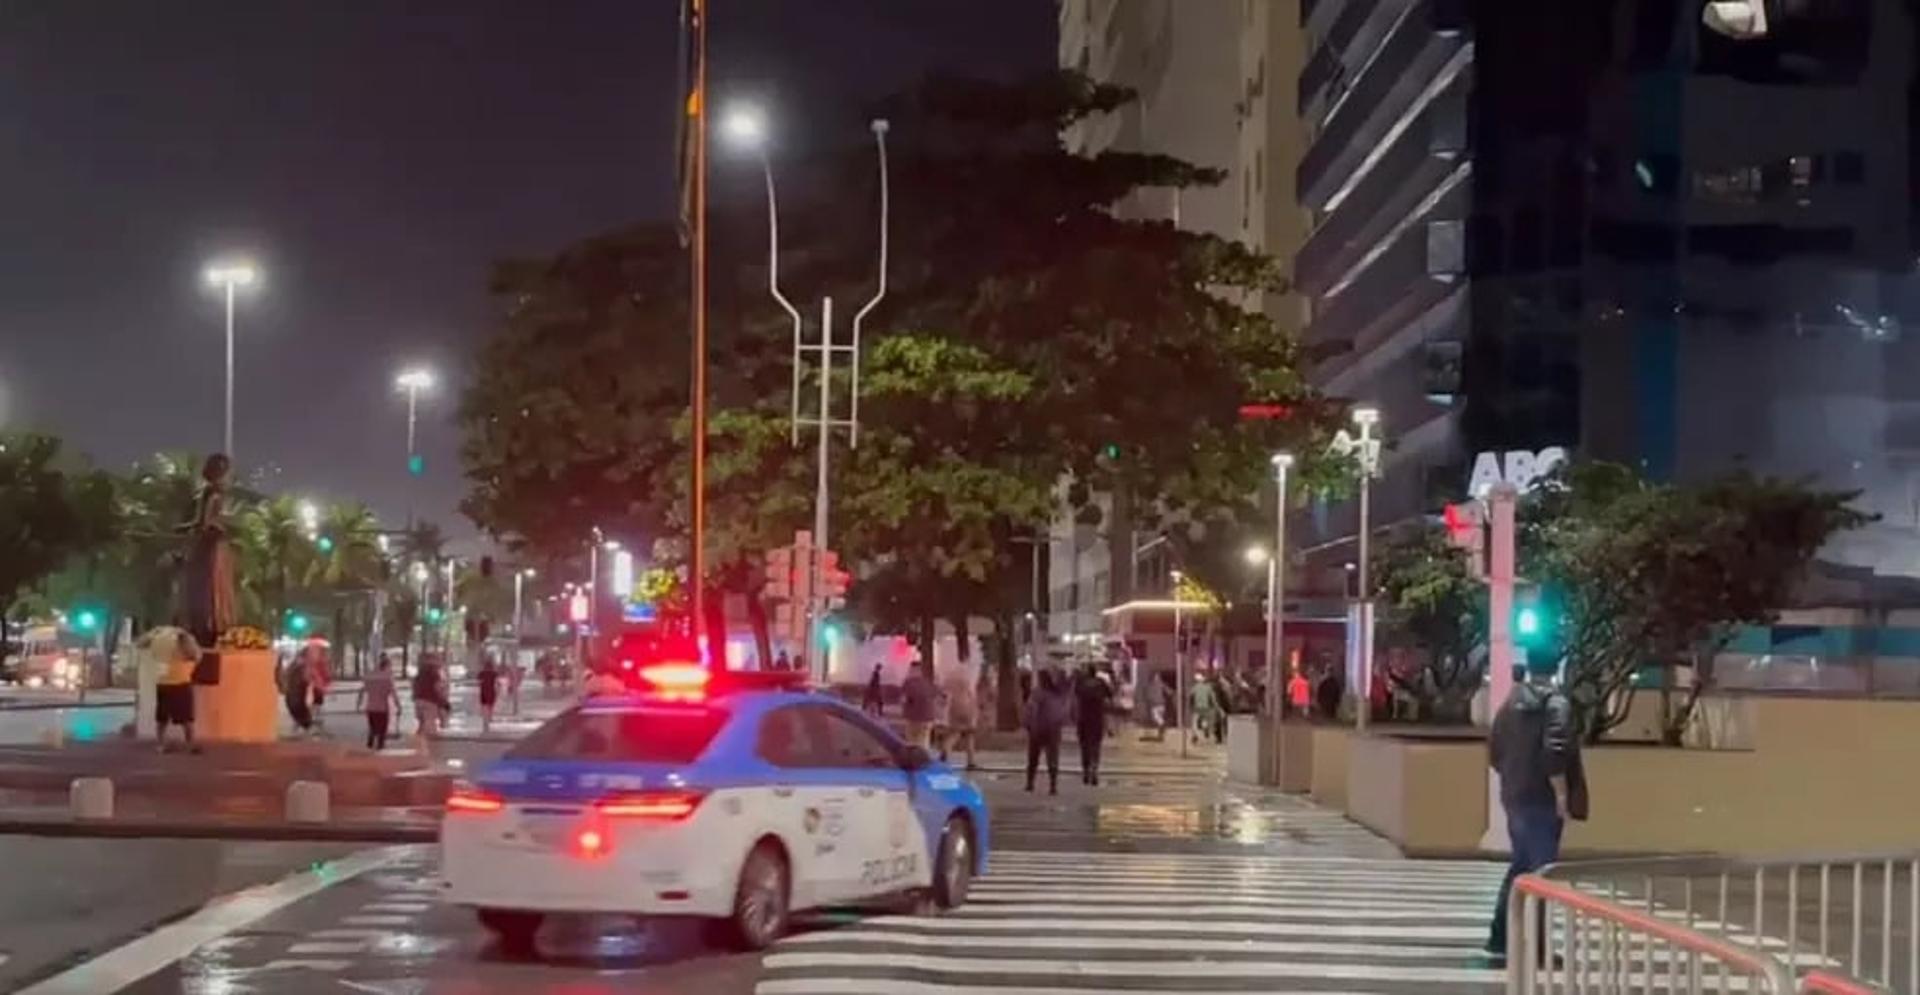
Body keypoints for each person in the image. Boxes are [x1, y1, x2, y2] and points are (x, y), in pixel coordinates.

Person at [1484, 657, 1589, 967]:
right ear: (1559, 666)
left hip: (1515, 795)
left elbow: (1495, 750)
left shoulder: (1511, 703)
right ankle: (1537, 946)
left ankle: (1500, 935)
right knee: (1542, 872)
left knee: (1521, 866)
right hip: (1541, 799)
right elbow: (1554, 750)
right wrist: (1561, 795)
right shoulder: (1556, 704)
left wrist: (1513, 777)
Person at [177, 454, 236, 648]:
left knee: (211, 590)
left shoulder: (212, 494)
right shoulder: (211, 494)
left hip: (213, 547)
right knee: (206, 590)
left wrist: (191, 527)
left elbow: (205, 522)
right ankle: (208, 626)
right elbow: (204, 522)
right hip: (210, 547)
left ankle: (212, 626)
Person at [1022, 667, 1072, 794]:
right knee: (1053, 758)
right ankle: (1053, 785)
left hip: (1038, 729)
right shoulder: (1057, 694)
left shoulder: (1037, 693)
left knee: (1033, 758)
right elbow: (1062, 712)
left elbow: (1030, 710)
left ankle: (1030, 783)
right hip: (1053, 729)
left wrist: (1027, 725)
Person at [152, 627, 201, 754]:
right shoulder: (186, 643)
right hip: (181, 683)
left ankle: (161, 744)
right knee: (186, 718)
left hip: (165, 683)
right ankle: (190, 744)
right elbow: (196, 656)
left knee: (163, 718)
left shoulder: (161, 640)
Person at [1072, 663, 1114, 785]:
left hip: (1084, 718)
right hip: (1097, 718)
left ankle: (1086, 771)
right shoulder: (1101, 683)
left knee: (1084, 746)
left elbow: (1075, 697)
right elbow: (1110, 695)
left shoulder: (1081, 683)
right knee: (1096, 746)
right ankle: (1094, 770)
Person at [356, 658, 402, 750]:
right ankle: (380, 747)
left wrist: (358, 703)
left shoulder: (371, 676)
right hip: (382, 708)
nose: (391, 669)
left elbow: (361, 690)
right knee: (382, 730)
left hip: (370, 707)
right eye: (390, 666)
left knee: (372, 728)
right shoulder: (387, 678)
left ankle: (369, 745)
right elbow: (394, 693)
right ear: (387, 666)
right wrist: (398, 705)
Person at [940, 665, 979, 770]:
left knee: (954, 733)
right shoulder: (966, 679)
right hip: (967, 708)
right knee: (969, 736)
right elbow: (972, 694)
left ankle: (946, 750)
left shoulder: (948, 680)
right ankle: (971, 761)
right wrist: (975, 711)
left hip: (955, 708)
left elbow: (943, 695)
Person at [900, 662, 936, 749]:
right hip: (928, 718)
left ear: (912, 670)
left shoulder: (908, 683)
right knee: (924, 741)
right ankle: (925, 758)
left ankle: (915, 759)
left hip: (913, 718)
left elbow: (903, 700)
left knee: (912, 741)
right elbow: (934, 695)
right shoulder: (927, 682)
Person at [412, 656, 447, 741]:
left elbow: (414, 687)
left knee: (421, 725)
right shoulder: (434, 674)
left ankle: (418, 745)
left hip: (418, 701)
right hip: (430, 701)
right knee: (430, 727)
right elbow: (437, 688)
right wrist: (443, 699)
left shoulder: (418, 675)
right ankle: (432, 749)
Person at [283, 651, 314, 735]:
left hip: (295, 694)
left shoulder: (295, 666)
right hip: (295, 694)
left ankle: (301, 727)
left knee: (298, 710)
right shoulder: (298, 666)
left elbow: (307, 680)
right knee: (298, 709)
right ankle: (303, 727)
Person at [1189, 672, 1220, 746]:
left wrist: (1191, 706)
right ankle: (1205, 728)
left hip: (1197, 707)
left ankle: (1195, 736)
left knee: (1195, 722)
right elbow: (1212, 698)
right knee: (1204, 720)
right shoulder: (1208, 687)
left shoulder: (1194, 687)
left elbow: (1191, 697)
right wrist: (1215, 706)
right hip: (1206, 707)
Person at [476, 653, 501, 734]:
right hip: (492, 691)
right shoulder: (494, 673)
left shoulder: (481, 673)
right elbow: (497, 683)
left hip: (483, 691)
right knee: (491, 705)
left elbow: (479, 682)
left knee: (484, 705)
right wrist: (499, 690)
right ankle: (490, 717)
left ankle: (485, 719)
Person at [1140, 669, 1167, 742]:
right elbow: (1168, 691)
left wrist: (1146, 700)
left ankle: (1162, 725)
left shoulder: (1150, 686)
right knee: (1158, 718)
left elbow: (1146, 694)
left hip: (1155, 705)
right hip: (1161, 704)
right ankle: (1160, 734)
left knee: (1156, 718)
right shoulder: (1161, 684)